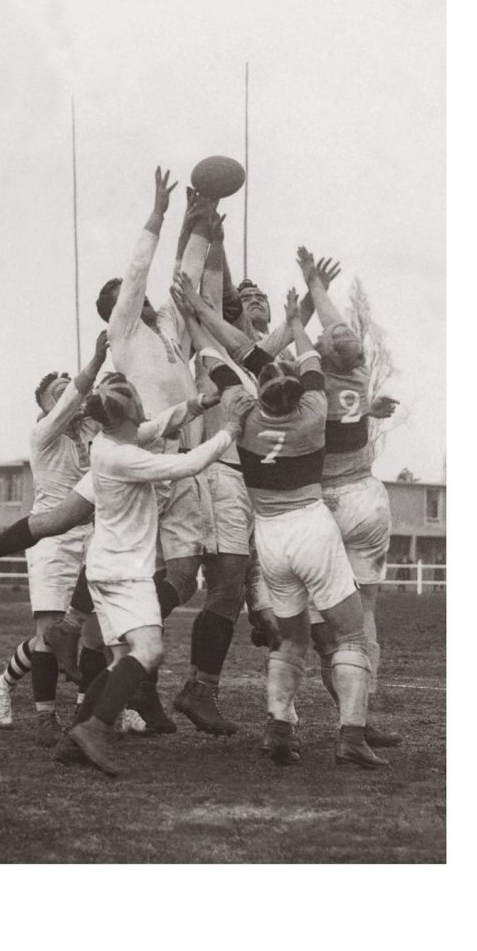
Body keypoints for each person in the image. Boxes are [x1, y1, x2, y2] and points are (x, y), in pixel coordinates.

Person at [201, 288, 389, 769]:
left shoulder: (242, 415)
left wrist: (196, 318)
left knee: (291, 638)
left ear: (258, 392)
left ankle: (279, 729)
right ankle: (351, 734)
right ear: (297, 389)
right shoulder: (313, 410)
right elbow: (306, 357)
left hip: (270, 538)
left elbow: (223, 361)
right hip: (312, 528)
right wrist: (296, 316)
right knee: (349, 635)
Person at [167, 242, 339, 735]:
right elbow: (212, 300)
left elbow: (292, 325)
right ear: (230, 309)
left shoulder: (262, 360)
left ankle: (294, 714)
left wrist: (312, 289)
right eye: (246, 297)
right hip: (221, 476)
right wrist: (214, 241)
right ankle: (196, 688)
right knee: (223, 586)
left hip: (260, 491)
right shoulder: (215, 349)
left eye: (261, 295)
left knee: (275, 604)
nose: (254, 299)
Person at [56, 373, 255, 776]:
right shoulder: (123, 455)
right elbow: (188, 463)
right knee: (148, 652)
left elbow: (165, 422)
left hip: (109, 568)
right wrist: (231, 427)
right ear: (130, 411)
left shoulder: (116, 440)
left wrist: (204, 402)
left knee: (128, 657)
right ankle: (95, 727)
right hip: (123, 571)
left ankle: (75, 736)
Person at [92, 168, 216, 730]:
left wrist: (201, 226)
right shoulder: (123, 333)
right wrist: (160, 214)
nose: (138, 298)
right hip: (141, 461)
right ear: (116, 308)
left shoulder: (166, 327)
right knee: (138, 574)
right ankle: (114, 662)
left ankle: (126, 663)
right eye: (127, 296)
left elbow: (184, 277)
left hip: (180, 464)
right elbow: (140, 270)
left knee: (184, 577)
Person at [295, 247, 401, 748]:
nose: (345, 331)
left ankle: (345, 700)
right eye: (342, 335)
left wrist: (311, 290)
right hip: (358, 496)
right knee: (364, 613)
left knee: (330, 617)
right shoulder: (353, 372)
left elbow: (329, 330)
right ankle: (357, 709)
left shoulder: (317, 375)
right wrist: (314, 287)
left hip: (325, 501)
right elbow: (336, 331)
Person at [0, 334, 107, 747]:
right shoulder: (43, 431)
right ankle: (44, 715)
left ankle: (86, 707)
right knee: (49, 630)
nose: (70, 396)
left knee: (92, 631)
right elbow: (75, 395)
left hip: (94, 535)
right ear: (44, 405)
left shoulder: (94, 430)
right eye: (58, 393)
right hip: (51, 539)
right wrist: (94, 361)